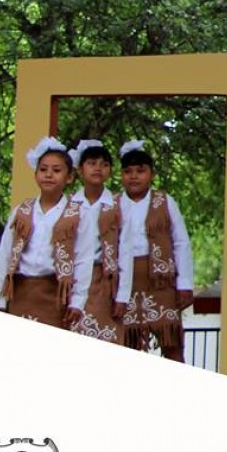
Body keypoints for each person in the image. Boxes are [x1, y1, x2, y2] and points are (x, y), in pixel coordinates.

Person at [0, 137, 94, 330]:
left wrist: (78, 301)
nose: (49, 175)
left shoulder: (78, 213)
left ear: (69, 177)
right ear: (36, 174)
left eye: (56, 170)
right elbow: (4, 255)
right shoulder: (22, 211)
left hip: (55, 294)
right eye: (43, 169)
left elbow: (83, 258)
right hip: (20, 293)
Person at [118, 140, 195, 362]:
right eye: (128, 171)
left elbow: (181, 242)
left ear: (151, 174)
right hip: (125, 284)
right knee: (127, 345)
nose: (134, 176)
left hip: (162, 284)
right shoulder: (113, 204)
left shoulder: (165, 201)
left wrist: (185, 284)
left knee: (171, 346)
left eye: (140, 171)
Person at [69, 140, 131, 345]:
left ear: (110, 171)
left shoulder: (119, 204)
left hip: (105, 281)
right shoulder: (68, 204)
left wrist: (122, 296)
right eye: (92, 163)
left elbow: (126, 251)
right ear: (79, 169)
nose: (98, 168)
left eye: (104, 164)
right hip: (71, 279)